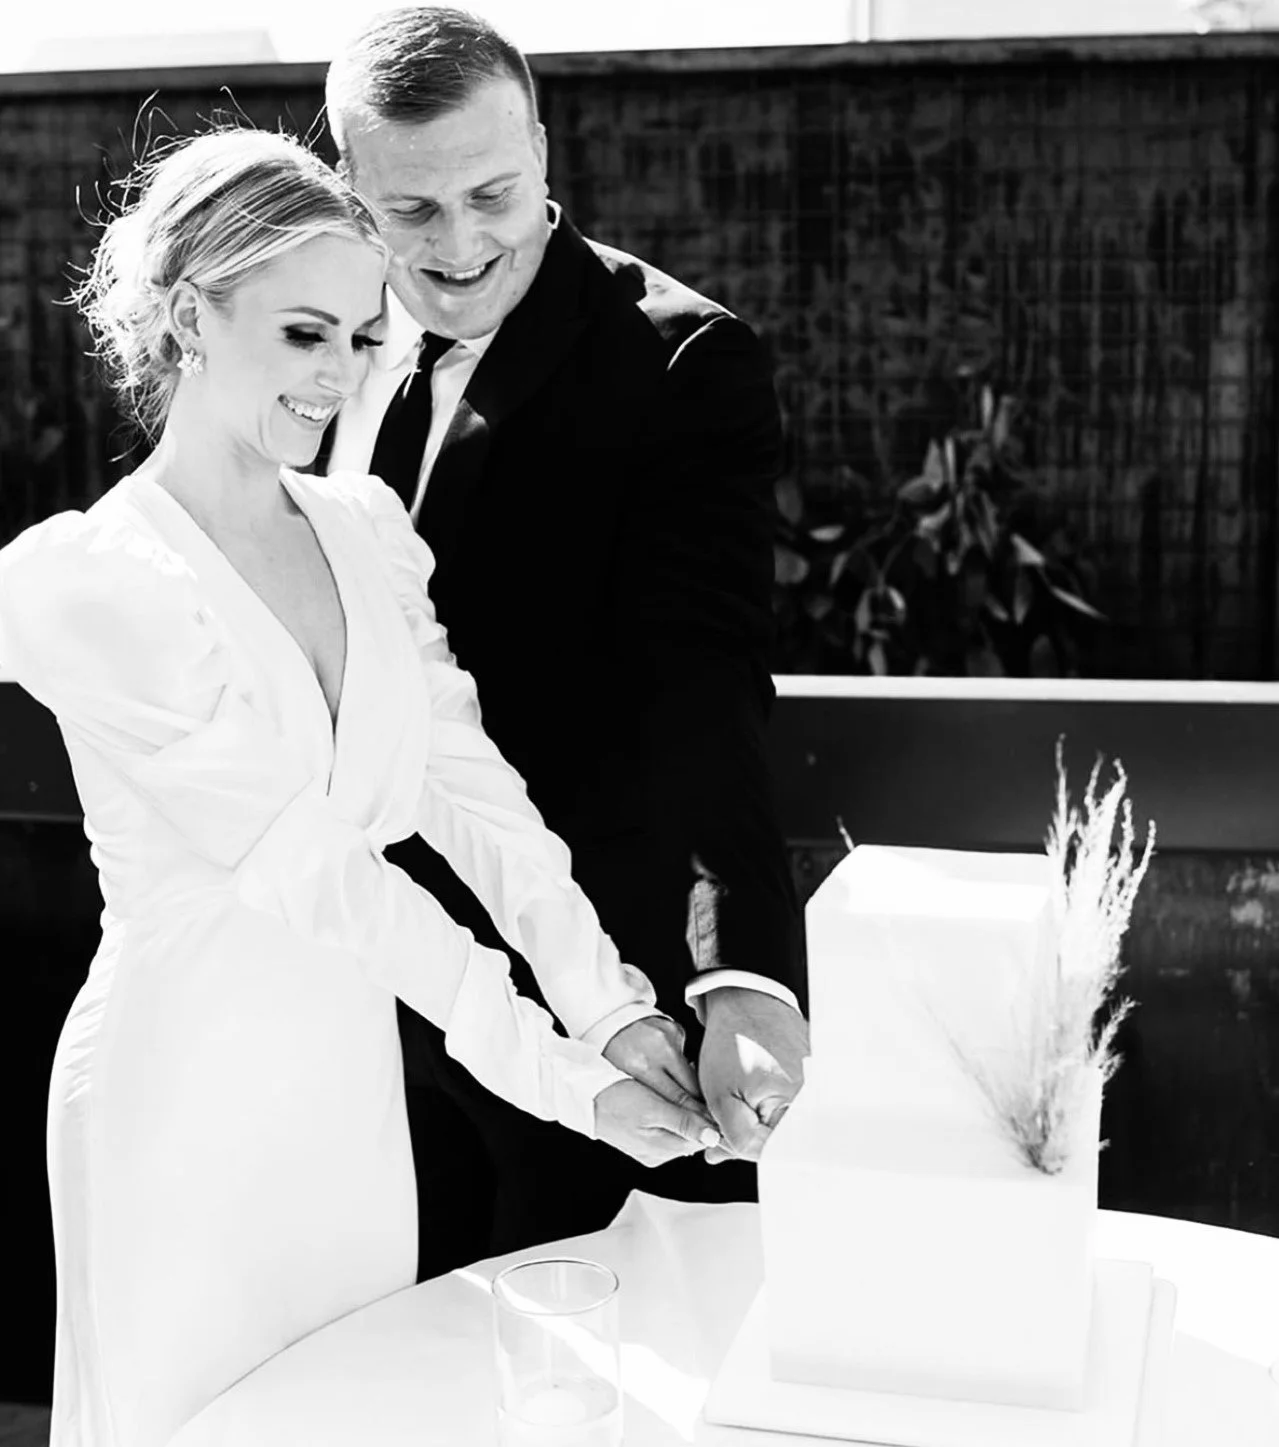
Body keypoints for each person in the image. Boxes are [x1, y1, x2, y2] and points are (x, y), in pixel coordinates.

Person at [0, 128, 720, 1447]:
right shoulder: (80, 584)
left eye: (357, 338)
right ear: (187, 318)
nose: (337, 377)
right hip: (181, 1094)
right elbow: (312, 868)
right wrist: (557, 1075)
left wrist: (613, 1011)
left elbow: (479, 804)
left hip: (344, 1093)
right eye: (299, 334)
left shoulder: (364, 531)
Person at [322, 4, 810, 1280]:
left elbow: (698, 681)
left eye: (491, 192)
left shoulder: (678, 363)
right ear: (351, 189)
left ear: (542, 150)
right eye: (412, 211)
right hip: (348, 1000)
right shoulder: (306, 344)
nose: (460, 241)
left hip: (588, 1013)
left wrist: (742, 973)